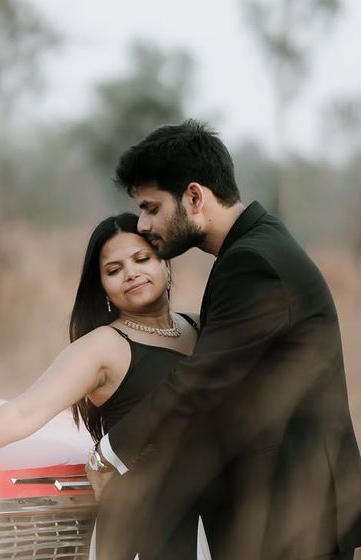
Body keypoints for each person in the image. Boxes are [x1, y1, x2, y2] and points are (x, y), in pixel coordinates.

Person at [88, 120, 361, 560]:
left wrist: (113, 452)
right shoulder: (255, 246)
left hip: (294, 505)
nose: (143, 224)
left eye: (152, 208)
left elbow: (203, 379)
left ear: (194, 197)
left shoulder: (252, 261)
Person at [0, 212, 208, 559]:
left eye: (142, 259)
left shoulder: (205, 328)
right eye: (114, 270)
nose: (131, 273)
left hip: (214, 514)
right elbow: (25, 412)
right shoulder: (105, 346)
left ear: (166, 265)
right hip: (146, 525)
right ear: (104, 289)